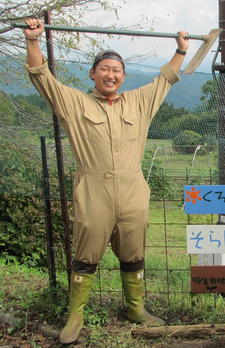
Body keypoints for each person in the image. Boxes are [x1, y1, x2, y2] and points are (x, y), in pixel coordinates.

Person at [22, 18, 190, 344]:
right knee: (85, 254)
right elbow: (42, 78)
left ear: (123, 77)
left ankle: (136, 308)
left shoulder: (138, 103)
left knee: (133, 252)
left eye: (116, 70)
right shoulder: (75, 103)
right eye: (104, 69)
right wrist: (32, 41)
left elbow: (165, 79)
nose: (110, 74)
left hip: (132, 189)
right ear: (93, 74)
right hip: (93, 188)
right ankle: (75, 316)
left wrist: (180, 50)